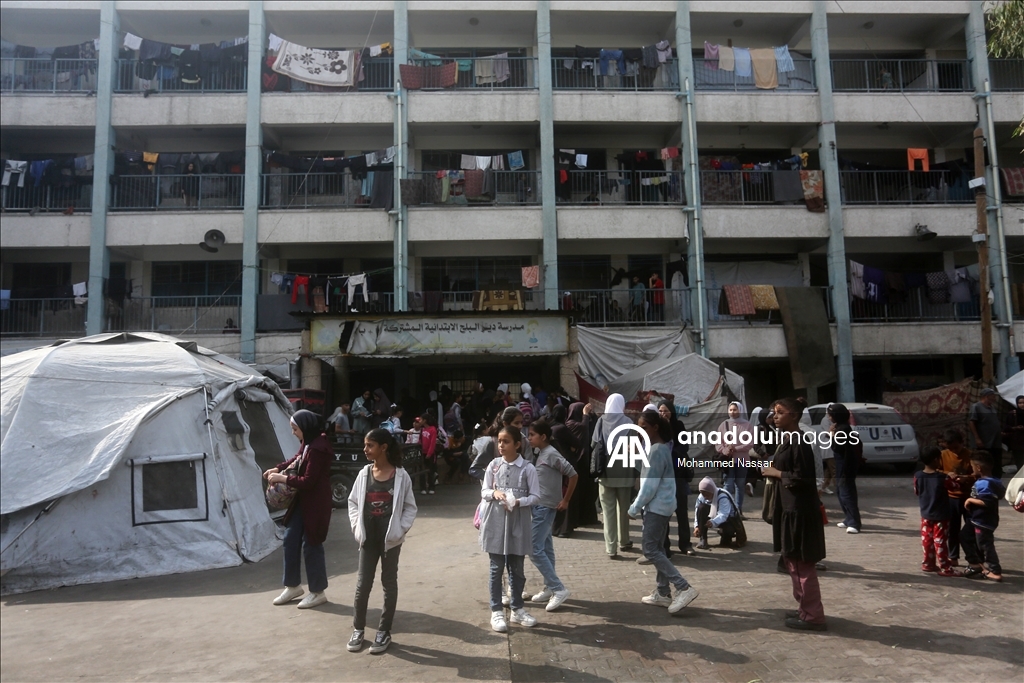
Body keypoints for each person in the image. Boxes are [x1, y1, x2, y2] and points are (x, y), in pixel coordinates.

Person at [347, 428, 418, 654]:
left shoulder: (401, 476)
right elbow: (353, 503)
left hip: (390, 539)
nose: (365, 449)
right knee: (363, 584)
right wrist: (357, 528)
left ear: (383, 448)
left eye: (370, 445)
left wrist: (399, 530)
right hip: (368, 537)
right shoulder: (364, 474)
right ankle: (358, 629)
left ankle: (384, 631)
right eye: (365, 445)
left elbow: (410, 507)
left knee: (389, 583)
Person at [762, 397, 827, 631]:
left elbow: (802, 477)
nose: (775, 416)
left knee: (801, 564)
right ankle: (804, 608)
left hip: (799, 511)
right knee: (793, 562)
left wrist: (777, 473)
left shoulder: (800, 441)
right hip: (790, 509)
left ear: (795, 416)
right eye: (774, 412)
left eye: (780, 412)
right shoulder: (787, 439)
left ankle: (812, 615)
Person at [629, 410, 700, 614]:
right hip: (662, 506)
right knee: (658, 549)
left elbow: (649, 486)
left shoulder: (657, 450)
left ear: (655, 428)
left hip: (657, 507)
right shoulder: (658, 448)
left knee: (650, 549)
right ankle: (662, 592)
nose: (640, 432)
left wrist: (634, 508)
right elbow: (646, 470)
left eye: (644, 428)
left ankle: (683, 587)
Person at [264, 409, 333, 609]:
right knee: (290, 539)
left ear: (305, 427)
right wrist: (278, 468)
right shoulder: (309, 442)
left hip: (316, 503)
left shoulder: (319, 448)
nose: (293, 433)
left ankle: (318, 592)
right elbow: (296, 458)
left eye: (295, 429)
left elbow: (309, 481)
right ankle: (292, 586)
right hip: (302, 501)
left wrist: (283, 478)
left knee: (311, 544)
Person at [480, 425, 540, 632]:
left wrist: (519, 502)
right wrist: (494, 493)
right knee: (496, 568)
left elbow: (536, 496)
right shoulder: (494, 465)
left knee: (517, 569)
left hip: (518, 522)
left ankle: (517, 608)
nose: (501, 445)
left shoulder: (528, 468)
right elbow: (484, 490)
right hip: (495, 521)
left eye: (506, 441)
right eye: (499, 441)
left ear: (517, 444)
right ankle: (496, 610)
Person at [525, 419, 577, 612]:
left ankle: (558, 588)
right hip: (539, 506)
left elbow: (573, 475)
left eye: (532, 435)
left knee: (534, 549)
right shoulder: (541, 453)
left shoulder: (551, 454)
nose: (529, 438)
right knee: (546, 548)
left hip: (546, 507)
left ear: (543, 436)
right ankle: (549, 587)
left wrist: (566, 500)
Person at [592, 393, 636, 559]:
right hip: (625, 472)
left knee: (608, 512)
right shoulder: (629, 423)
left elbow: (594, 444)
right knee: (624, 509)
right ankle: (624, 541)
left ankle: (611, 548)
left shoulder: (601, 421)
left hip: (605, 473)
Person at [960, 452, 1006, 581]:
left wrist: (970, 500)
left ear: (978, 468)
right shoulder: (994, 481)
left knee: (985, 545)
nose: (972, 469)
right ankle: (976, 564)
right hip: (978, 519)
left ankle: (995, 571)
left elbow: (987, 502)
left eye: (972, 466)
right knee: (965, 536)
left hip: (983, 520)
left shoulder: (984, 484)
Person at [660, 401, 695, 556]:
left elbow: (684, 446)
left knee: (681, 511)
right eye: (660, 411)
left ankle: (685, 544)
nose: (663, 414)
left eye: (666, 410)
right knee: (664, 512)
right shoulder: (657, 427)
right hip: (663, 475)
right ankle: (665, 546)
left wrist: (671, 452)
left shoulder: (679, 425)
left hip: (678, 473)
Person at [913, 446, 955, 577]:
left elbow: (917, 491)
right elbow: (954, 487)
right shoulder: (942, 477)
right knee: (940, 540)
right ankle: (945, 567)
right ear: (936, 460)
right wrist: (953, 478)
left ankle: (928, 563)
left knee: (927, 539)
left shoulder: (918, 476)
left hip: (926, 513)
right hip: (941, 514)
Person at [938, 429, 974, 566]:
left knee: (971, 529)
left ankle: (974, 558)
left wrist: (967, 478)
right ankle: (953, 556)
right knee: (953, 529)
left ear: (962, 443)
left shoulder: (970, 455)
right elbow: (936, 470)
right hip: (951, 498)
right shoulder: (943, 455)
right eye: (951, 449)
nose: (954, 451)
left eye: (956, 448)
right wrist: (947, 473)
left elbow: (977, 474)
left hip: (968, 497)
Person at [564, 402, 600, 530]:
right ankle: (578, 518)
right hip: (577, 462)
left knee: (589, 491)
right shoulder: (570, 424)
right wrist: (585, 415)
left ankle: (588, 517)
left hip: (587, 460)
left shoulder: (585, 421)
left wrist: (591, 414)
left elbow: (594, 425)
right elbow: (583, 429)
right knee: (578, 491)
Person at [828, 404, 862, 535]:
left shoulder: (843, 429)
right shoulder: (841, 427)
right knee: (840, 490)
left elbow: (837, 447)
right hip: (842, 463)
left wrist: (832, 435)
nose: (829, 417)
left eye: (830, 415)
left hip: (846, 464)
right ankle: (848, 518)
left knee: (846, 493)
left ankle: (854, 522)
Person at [716, 401, 753, 515]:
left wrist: (736, 448)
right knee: (728, 484)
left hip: (742, 460)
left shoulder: (747, 425)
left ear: (740, 410)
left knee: (740, 484)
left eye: (735, 409)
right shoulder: (724, 425)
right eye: (730, 409)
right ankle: (725, 510)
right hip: (728, 459)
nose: (732, 412)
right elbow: (718, 442)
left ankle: (737, 510)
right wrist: (725, 450)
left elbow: (750, 443)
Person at [968, 388, 1003, 479]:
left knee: (996, 465)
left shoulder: (992, 408)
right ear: (987, 396)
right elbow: (972, 422)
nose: (994, 398)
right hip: (984, 442)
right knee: (984, 464)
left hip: (995, 442)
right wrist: (977, 438)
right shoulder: (976, 407)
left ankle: (996, 482)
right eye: (993, 396)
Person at [418, 413, 439, 495]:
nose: (419, 421)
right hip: (422, 452)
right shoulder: (422, 429)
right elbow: (420, 440)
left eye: (421, 419)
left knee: (430, 470)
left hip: (430, 453)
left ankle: (431, 487)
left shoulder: (433, 429)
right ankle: (422, 487)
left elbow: (432, 442)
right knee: (421, 471)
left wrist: (430, 453)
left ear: (425, 420)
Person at [1004, 395, 1024, 471]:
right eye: (1020, 403)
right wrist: (1015, 428)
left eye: (1023, 403)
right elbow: (1006, 427)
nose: (1022, 405)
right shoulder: (1012, 414)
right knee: (1019, 462)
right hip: (1017, 442)